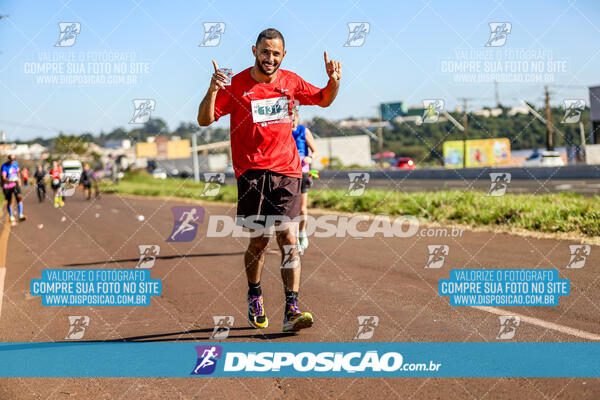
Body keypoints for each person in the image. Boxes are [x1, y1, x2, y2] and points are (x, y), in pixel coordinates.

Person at [197, 28, 341, 332]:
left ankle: (292, 308)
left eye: (276, 53)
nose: (270, 58)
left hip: (287, 170)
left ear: (283, 55)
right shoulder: (236, 85)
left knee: (289, 239)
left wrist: (334, 81)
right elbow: (205, 119)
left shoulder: (291, 81)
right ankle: (255, 294)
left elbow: (324, 100)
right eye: (265, 52)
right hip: (250, 172)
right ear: (254, 51)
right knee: (259, 241)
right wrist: (212, 90)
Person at [291, 108, 318, 252]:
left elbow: (315, 151)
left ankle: (302, 234)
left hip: (302, 172)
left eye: (293, 118)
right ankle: (292, 238)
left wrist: (310, 158)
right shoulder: (282, 132)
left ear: (297, 117)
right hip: (287, 174)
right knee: (290, 210)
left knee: (301, 208)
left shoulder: (304, 131)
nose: (291, 121)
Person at [1, 154, 26, 222]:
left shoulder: (16, 164)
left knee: (19, 197)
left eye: (14, 159)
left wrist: (19, 179)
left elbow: (18, 172)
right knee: (10, 201)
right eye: (11, 159)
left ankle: (20, 215)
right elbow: (3, 178)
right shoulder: (4, 166)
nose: (12, 161)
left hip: (15, 184)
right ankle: (11, 216)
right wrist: (12, 180)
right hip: (7, 186)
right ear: (8, 159)